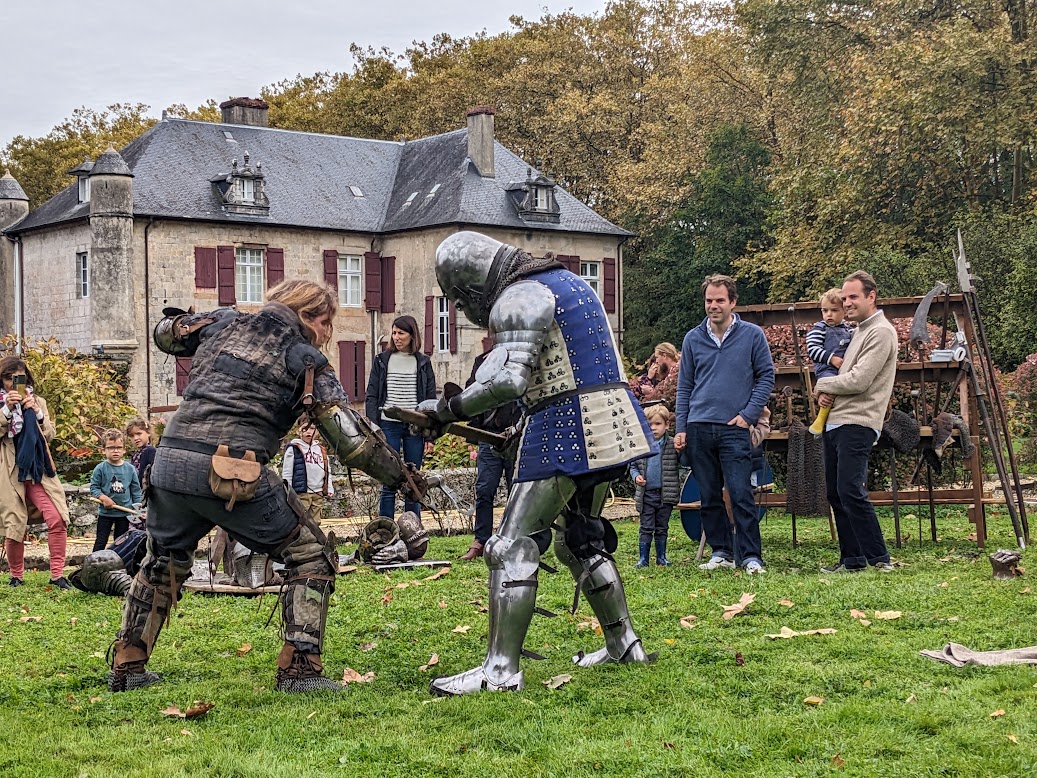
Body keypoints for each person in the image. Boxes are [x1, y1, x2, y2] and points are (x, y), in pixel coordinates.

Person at [106, 279, 428, 694]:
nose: (328, 334)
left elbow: (165, 335)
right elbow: (352, 441)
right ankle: (299, 670)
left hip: (168, 464)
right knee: (312, 556)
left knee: (161, 563)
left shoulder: (221, 322)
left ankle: (128, 668)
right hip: (231, 471)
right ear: (312, 317)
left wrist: (193, 323)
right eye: (327, 323)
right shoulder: (305, 356)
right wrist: (404, 479)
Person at [420, 231, 657, 696]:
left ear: (470, 288)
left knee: (509, 545)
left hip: (568, 428)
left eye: (459, 300)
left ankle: (500, 670)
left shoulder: (519, 296)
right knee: (580, 542)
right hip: (611, 423)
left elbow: (510, 380)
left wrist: (446, 411)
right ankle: (624, 644)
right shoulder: (569, 282)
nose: (464, 311)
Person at [674, 274, 775, 575]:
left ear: (733, 302)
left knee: (741, 492)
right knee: (708, 494)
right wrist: (681, 426)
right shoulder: (693, 338)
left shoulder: (752, 335)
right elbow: (684, 386)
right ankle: (721, 552)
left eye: (719, 300)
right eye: (709, 300)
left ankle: (750, 556)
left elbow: (766, 377)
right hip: (699, 425)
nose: (713, 306)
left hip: (735, 427)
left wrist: (748, 414)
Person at [814, 270, 898, 573]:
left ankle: (880, 559)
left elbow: (860, 380)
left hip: (859, 421)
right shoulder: (860, 329)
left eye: (853, 297)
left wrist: (824, 386)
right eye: (845, 297)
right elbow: (844, 377)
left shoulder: (881, 332)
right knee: (836, 492)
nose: (847, 302)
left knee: (850, 489)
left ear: (871, 296)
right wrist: (829, 393)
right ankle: (852, 560)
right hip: (836, 420)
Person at [0, 357, 71, 589]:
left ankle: (57, 575)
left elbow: (49, 435)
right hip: (10, 472)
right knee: (15, 525)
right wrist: (7, 411)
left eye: (18, 377)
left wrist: (38, 413)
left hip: (38, 471)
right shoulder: (2, 403)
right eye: (8, 378)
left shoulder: (37, 400)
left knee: (58, 518)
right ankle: (16, 576)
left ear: (26, 377)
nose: (13, 383)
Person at [365, 315, 436, 519]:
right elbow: (371, 395)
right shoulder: (382, 360)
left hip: (415, 426)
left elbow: (430, 400)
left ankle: (412, 530)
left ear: (412, 335)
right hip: (389, 425)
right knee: (389, 479)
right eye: (394, 333)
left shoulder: (423, 362)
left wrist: (430, 436)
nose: (396, 337)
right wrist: (373, 426)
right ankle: (385, 528)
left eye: (401, 333)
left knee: (414, 482)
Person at [459, 349, 521, 562]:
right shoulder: (481, 360)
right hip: (489, 435)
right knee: (485, 490)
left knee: (518, 491)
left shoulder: (522, 359)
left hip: (517, 435)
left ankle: (516, 540)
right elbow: (470, 394)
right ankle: (481, 540)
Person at [629, 404, 680, 568]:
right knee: (646, 527)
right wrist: (636, 477)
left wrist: (682, 450)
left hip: (666, 494)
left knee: (662, 527)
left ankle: (661, 557)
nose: (653, 428)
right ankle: (643, 558)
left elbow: (685, 463)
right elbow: (633, 466)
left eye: (657, 424)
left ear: (667, 425)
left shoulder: (673, 445)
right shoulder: (640, 445)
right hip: (646, 495)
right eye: (649, 424)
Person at [89, 429, 143, 552]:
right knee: (101, 540)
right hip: (106, 514)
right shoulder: (100, 469)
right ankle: (94, 564)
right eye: (111, 448)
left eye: (119, 447)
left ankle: (117, 565)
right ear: (103, 450)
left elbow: (136, 491)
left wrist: (138, 509)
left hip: (124, 514)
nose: (115, 450)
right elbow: (94, 488)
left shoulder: (130, 469)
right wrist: (103, 498)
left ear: (124, 449)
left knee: (120, 542)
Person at [282, 419, 334, 524]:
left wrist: (329, 487)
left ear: (318, 432)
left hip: (318, 492)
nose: (309, 432)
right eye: (305, 429)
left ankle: (315, 539)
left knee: (316, 521)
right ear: (298, 431)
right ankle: (302, 539)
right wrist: (288, 490)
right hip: (301, 492)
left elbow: (327, 470)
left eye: (312, 429)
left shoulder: (320, 450)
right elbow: (287, 471)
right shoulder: (294, 448)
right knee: (300, 520)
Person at [806, 288, 853, 380]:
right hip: (826, 369)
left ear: (845, 311)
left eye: (834, 310)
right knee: (832, 384)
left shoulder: (848, 330)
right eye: (825, 310)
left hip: (846, 367)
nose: (829, 314)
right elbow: (812, 349)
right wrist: (831, 359)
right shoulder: (820, 329)